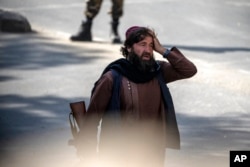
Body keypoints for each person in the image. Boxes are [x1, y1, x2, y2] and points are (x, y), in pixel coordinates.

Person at [78, 26, 197, 167]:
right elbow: (91, 121)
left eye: (151, 45)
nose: (148, 50)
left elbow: (189, 70)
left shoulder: (158, 71)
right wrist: (88, 157)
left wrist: (162, 50)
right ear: (129, 47)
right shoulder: (112, 78)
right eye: (142, 44)